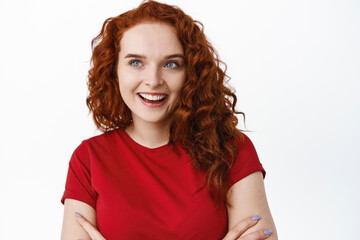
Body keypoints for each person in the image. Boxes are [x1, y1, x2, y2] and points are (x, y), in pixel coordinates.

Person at [60, 1, 278, 239]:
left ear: (191, 73)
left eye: (171, 64)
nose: (153, 80)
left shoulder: (232, 150)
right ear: (114, 70)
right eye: (136, 62)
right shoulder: (88, 160)